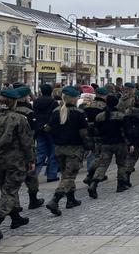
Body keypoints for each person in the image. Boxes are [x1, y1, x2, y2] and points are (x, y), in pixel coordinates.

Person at [0, 88, 35, 244]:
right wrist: (31, 160)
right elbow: (27, 142)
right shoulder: (19, 119)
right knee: (9, 192)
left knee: (6, 188)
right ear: (14, 102)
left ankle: (16, 217)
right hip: (15, 161)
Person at [44, 86, 91, 216]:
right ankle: (55, 199)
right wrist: (88, 147)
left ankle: (71, 199)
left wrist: (58, 136)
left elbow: (47, 129)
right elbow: (84, 134)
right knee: (69, 176)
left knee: (66, 173)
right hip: (74, 149)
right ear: (74, 98)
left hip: (59, 148)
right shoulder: (79, 113)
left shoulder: (56, 111)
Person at [88, 94, 131, 198]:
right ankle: (120, 184)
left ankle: (94, 183)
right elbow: (126, 131)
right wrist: (129, 143)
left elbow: (96, 131)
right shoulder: (121, 116)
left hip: (105, 143)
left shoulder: (99, 116)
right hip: (119, 143)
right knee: (122, 164)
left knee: (103, 165)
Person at [13, 86, 44, 209]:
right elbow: (34, 129)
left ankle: (15, 205)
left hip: (11, 148)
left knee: (13, 179)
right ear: (26, 96)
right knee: (31, 176)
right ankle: (33, 200)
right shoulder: (28, 111)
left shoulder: (10, 110)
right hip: (26, 146)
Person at [33, 84, 60, 183]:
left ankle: (33, 175)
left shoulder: (36, 102)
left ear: (41, 91)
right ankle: (51, 175)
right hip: (51, 129)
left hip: (39, 129)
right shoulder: (54, 102)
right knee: (53, 153)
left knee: (40, 153)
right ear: (51, 91)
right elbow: (56, 116)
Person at [81, 86, 108, 184]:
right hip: (98, 133)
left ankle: (90, 171)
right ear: (104, 96)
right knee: (99, 154)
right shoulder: (104, 106)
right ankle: (94, 174)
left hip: (88, 132)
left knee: (91, 152)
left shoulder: (88, 105)